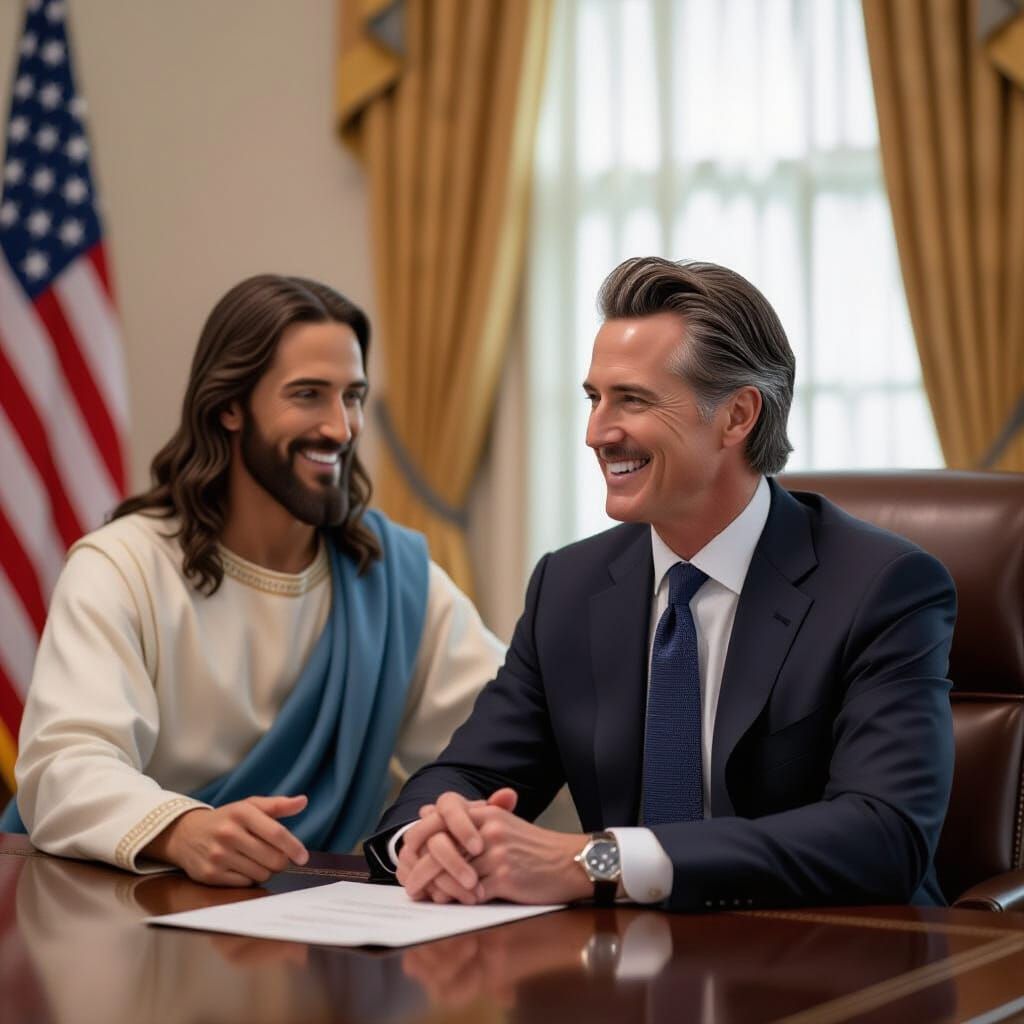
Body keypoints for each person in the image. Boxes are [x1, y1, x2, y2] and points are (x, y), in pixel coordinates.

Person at [365, 257, 957, 912]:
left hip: (837, 950)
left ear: (737, 416)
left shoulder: (882, 587)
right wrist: (427, 841)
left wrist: (598, 861)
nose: (596, 433)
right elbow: (470, 771)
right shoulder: (568, 585)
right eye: (594, 398)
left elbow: (884, 833)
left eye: (633, 400)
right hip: (624, 957)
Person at [1, 274, 503, 885]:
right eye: (308, 395)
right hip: (133, 904)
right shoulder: (123, 567)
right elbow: (62, 768)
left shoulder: (391, 575)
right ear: (229, 406)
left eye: (352, 396)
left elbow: (504, 731)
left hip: (321, 917)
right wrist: (180, 830)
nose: (341, 427)